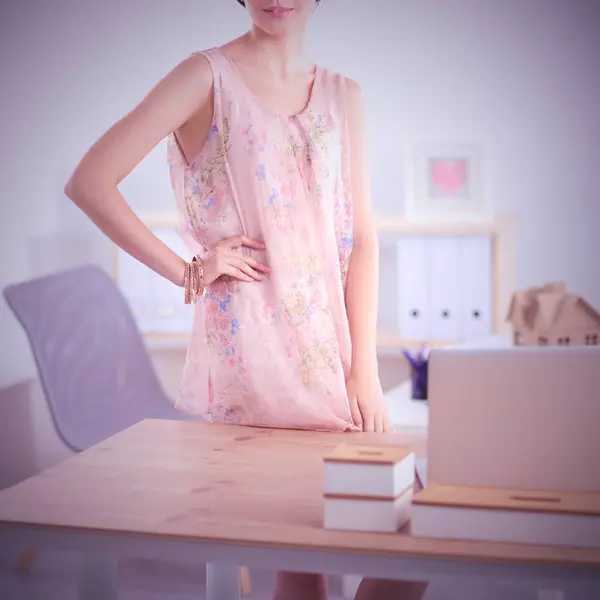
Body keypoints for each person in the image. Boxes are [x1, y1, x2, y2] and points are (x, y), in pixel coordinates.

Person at [65, 1, 428, 598]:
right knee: (302, 554)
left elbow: (363, 241)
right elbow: (90, 181)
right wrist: (189, 270)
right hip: (254, 363)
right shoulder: (205, 76)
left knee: (412, 530)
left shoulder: (344, 95)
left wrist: (365, 369)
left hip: (333, 359)